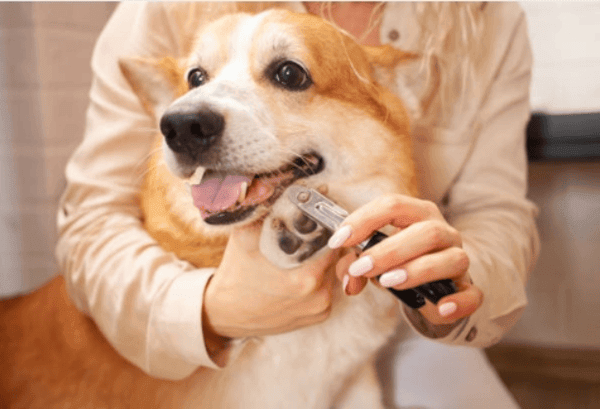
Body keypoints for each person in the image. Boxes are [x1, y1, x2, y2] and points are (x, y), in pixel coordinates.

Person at [56, 1, 539, 406]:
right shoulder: (163, 9)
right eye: (197, 78)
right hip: (184, 319)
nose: (186, 117)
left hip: (393, 319)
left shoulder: (489, 19)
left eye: (288, 74)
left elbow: (495, 212)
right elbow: (90, 221)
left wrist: (455, 282)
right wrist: (209, 310)